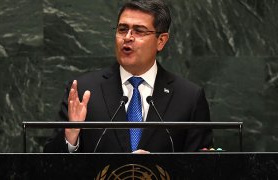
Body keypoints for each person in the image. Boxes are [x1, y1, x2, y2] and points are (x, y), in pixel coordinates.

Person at [43, 0, 213, 153]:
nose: (127, 37)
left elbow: (201, 169)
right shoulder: (84, 91)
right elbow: (49, 164)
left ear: (161, 40)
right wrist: (71, 136)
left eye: (139, 31)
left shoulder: (189, 97)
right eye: (122, 29)